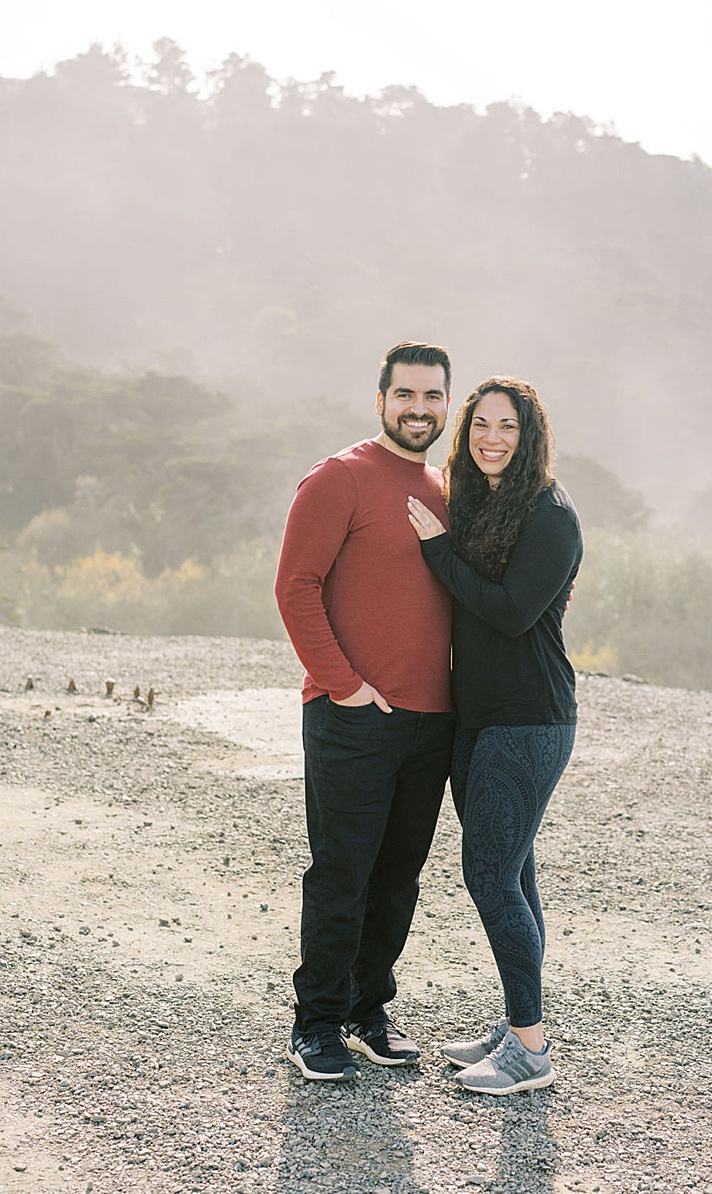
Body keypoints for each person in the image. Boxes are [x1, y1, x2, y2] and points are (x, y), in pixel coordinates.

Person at [275, 341, 457, 1081]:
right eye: (406, 395)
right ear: (379, 400)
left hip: (435, 722)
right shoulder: (338, 478)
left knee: (398, 877)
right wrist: (343, 683)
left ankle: (366, 1009)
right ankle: (315, 1023)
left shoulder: (452, 489)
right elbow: (296, 588)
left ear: (449, 405)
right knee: (342, 874)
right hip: (352, 716)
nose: (420, 408)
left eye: (433, 396)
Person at [405, 375, 582, 1095]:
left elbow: (509, 614)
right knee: (515, 872)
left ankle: (531, 1053)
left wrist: (439, 552)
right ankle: (517, 1023)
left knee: (489, 875)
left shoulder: (549, 513)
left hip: (530, 717)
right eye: (481, 425)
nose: (492, 438)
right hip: (478, 718)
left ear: (530, 433)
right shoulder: (487, 499)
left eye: (507, 427)